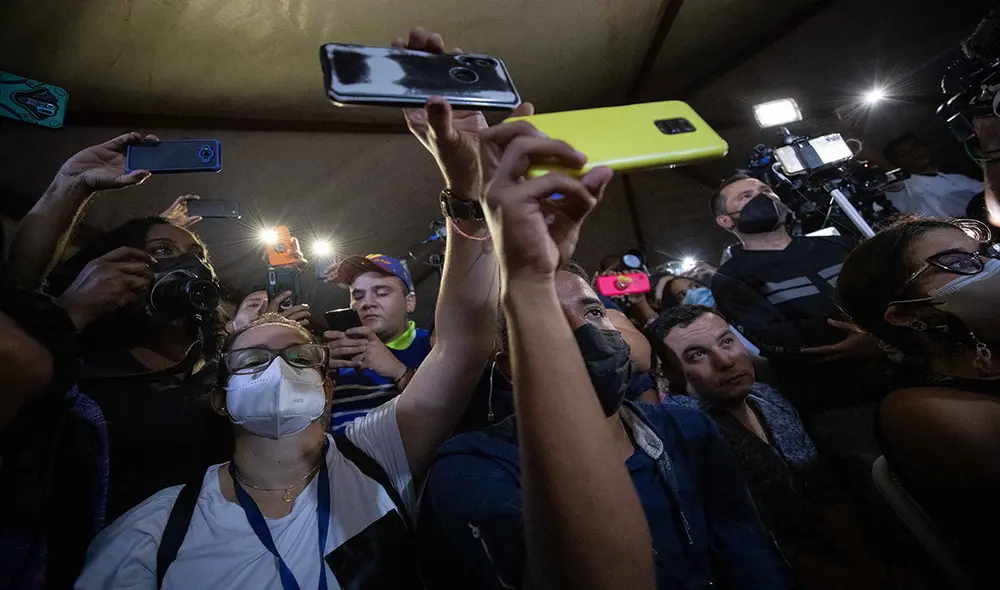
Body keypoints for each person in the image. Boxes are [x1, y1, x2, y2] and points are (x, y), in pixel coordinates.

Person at [419, 127, 793, 588]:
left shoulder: (687, 429)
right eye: (547, 320)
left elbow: (749, 553)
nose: (583, 331)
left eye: (594, 311)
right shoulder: (473, 469)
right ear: (509, 367)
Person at [652, 305, 886, 590]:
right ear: (668, 373)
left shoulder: (766, 396)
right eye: (697, 355)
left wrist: (867, 568)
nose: (725, 361)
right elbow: (747, 540)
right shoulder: (683, 431)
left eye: (726, 341)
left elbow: (824, 491)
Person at [837, 216, 1000, 586]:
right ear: (904, 314)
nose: (990, 267)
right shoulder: (917, 411)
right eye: (958, 262)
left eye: (986, 254)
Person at [708, 173, 889, 490]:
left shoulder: (837, 245)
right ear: (726, 220)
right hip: (838, 406)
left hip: (899, 377)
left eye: (766, 189)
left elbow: (887, 294)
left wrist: (880, 341)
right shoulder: (731, 278)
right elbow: (780, 336)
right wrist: (871, 332)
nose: (763, 197)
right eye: (746, 197)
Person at [324, 253, 431, 430]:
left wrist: (399, 372)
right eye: (358, 296)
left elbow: (452, 412)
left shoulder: (434, 347)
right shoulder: (337, 359)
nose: (367, 303)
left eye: (381, 293)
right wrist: (322, 381)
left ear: (409, 302)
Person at [883, 132, 983, 219]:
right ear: (895, 163)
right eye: (903, 154)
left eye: (916, 146)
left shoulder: (956, 178)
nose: (913, 153)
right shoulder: (902, 190)